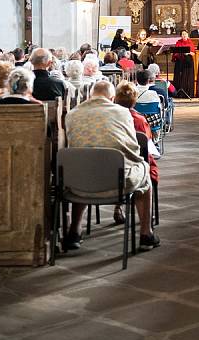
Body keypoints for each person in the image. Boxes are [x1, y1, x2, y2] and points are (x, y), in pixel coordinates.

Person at [64, 80, 159, 251]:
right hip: (117, 181)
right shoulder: (123, 113)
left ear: (90, 96)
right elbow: (133, 147)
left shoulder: (72, 113)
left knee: (84, 167)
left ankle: (74, 231)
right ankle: (146, 234)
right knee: (144, 172)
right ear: (112, 97)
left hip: (79, 183)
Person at [114, 80, 160, 224]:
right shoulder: (139, 120)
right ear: (135, 101)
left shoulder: (111, 118)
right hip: (135, 161)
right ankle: (146, 218)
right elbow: (146, 140)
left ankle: (118, 208)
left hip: (110, 166)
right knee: (148, 170)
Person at [172, 30, 195, 98]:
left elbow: (193, 53)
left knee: (187, 77)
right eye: (183, 34)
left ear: (188, 35)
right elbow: (175, 52)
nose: (184, 35)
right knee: (179, 77)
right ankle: (179, 93)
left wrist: (188, 53)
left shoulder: (190, 42)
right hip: (180, 61)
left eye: (185, 34)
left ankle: (188, 93)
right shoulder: (178, 42)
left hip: (188, 61)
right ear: (181, 35)